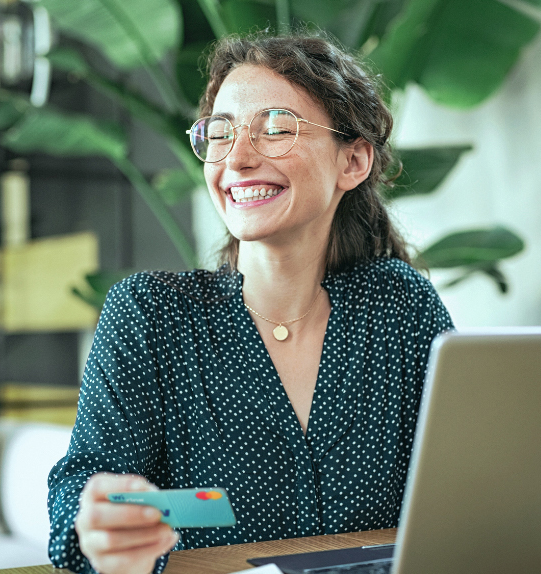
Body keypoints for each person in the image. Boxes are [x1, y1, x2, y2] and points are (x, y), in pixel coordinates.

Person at [47, 32, 455, 574]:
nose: (237, 158)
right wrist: (94, 522)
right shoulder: (149, 316)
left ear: (352, 161)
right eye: (220, 133)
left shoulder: (399, 307)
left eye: (277, 128)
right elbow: (79, 487)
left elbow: (466, 490)